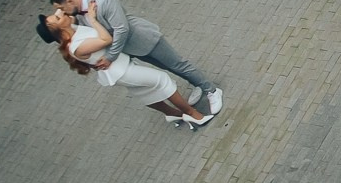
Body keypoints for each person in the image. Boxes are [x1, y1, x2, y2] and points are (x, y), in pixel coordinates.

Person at [49, 0, 224, 120]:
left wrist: (110, 57)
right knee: (170, 67)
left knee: (178, 64)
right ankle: (196, 84)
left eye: (61, 7)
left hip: (144, 39)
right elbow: (65, 31)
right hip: (131, 49)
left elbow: (122, 30)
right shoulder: (78, 16)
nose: (61, 12)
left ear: (70, 2)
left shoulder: (105, 2)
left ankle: (212, 90)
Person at [36, 7, 212, 128]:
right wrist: (93, 20)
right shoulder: (76, 47)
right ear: (57, 29)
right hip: (121, 71)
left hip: (120, 65)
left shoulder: (71, 27)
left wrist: (56, 16)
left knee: (145, 92)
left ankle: (172, 113)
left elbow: (64, 10)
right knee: (162, 80)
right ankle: (192, 114)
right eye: (58, 17)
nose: (61, 14)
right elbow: (106, 40)